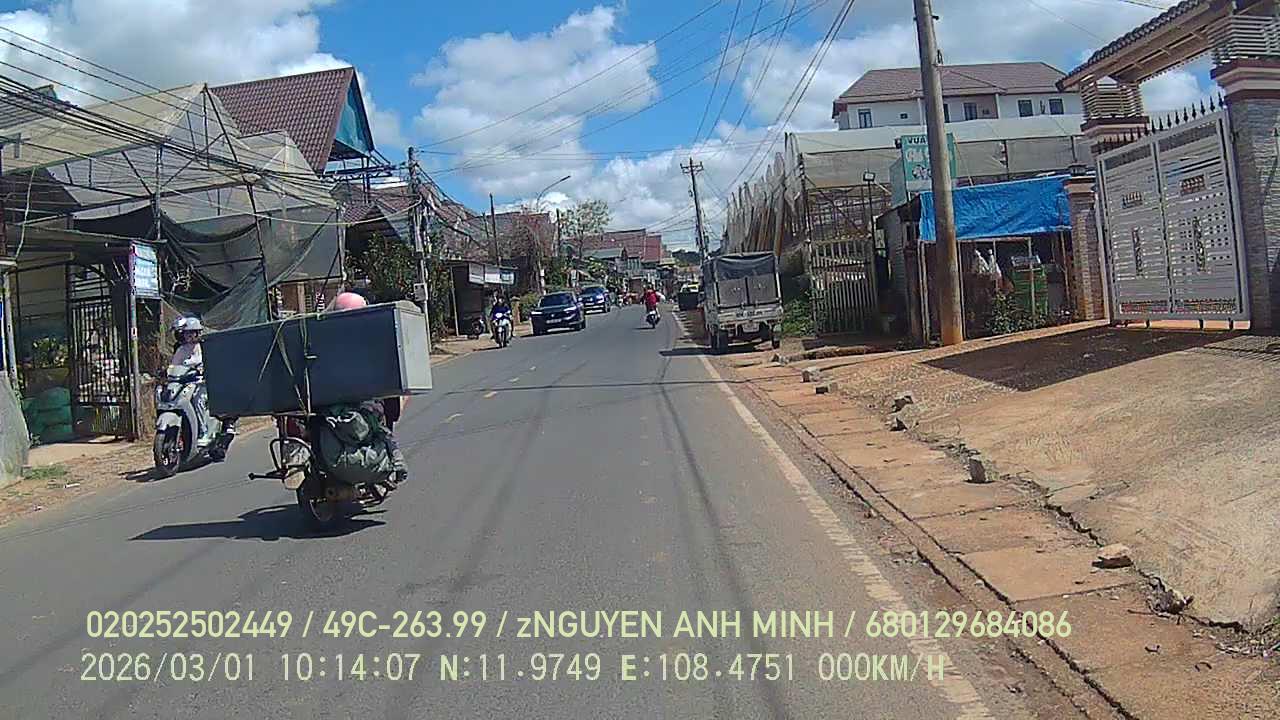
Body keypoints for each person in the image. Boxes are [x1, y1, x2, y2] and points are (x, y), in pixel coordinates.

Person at [326, 291, 408, 487]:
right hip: (355, 403)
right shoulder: (369, 339)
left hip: (330, 402)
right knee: (383, 424)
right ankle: (393, 460)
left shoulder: (325, 338)